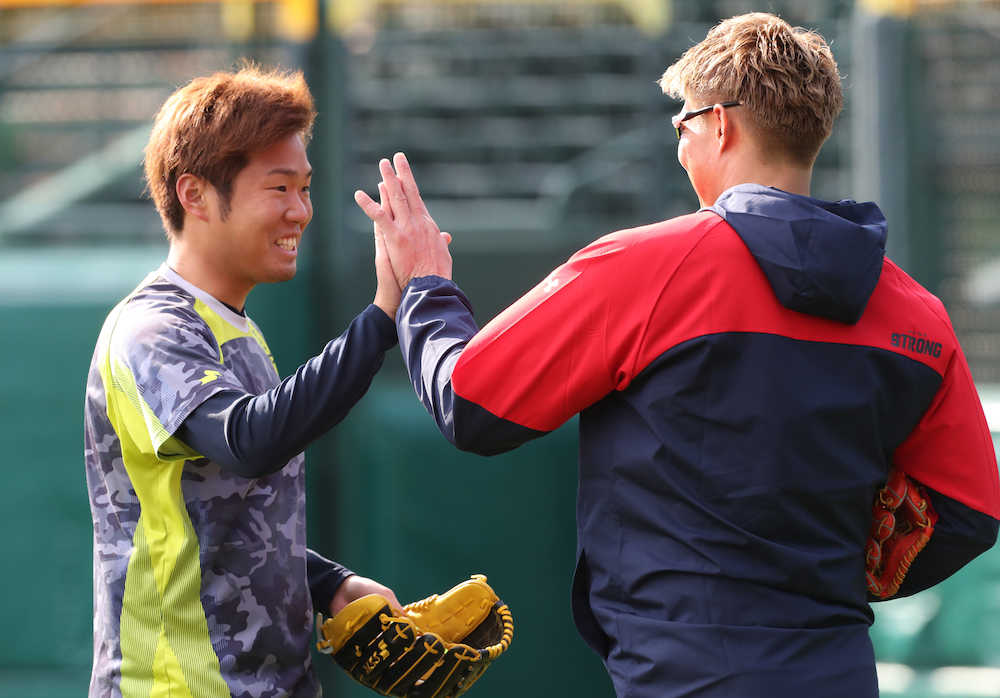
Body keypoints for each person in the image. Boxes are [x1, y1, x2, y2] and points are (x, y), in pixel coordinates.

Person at [355, 13, 1000, 698]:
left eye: (682, 125)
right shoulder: (916, 313)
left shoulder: (642, 267)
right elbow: (967, 510)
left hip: (683, 676)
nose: (681, 145)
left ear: (719, 125)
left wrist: (426, 287)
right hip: (837, 670)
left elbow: (470, 402)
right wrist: (833, 567)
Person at [84, 65, 404, 698]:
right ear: (194, 194)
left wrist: (328, 585)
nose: (300, 211)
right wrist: (383, 317)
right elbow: (249, 439)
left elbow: (224, 516)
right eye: (279, 187)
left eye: (305, 188)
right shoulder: (150, 328)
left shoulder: (235, 328)